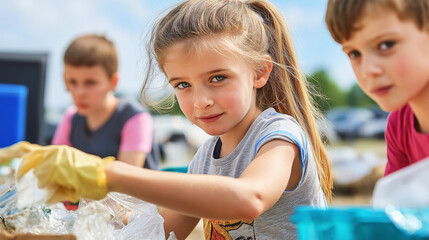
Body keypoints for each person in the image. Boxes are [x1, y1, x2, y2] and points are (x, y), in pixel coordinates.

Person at [13, 0, 332, 239]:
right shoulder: (205, 159)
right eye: (183, 85)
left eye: (218, 78)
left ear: (260, 72)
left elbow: (249, 199)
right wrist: (95, 203)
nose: (200, 100)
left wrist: (107, 173)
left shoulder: (278, 135)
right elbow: (160, 232)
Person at [325, 0, 429, 176]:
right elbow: (395, 200)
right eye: (354, 53)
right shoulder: (398, 125)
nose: (367, 70)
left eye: (386, 44)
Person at [52, 34, 159, 170]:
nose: (79, 93)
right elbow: (55, 167)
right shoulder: (70, 117)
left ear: (113, 82)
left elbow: (127, 182)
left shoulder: (135, 118)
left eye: (90, 82)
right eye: (72, 82)